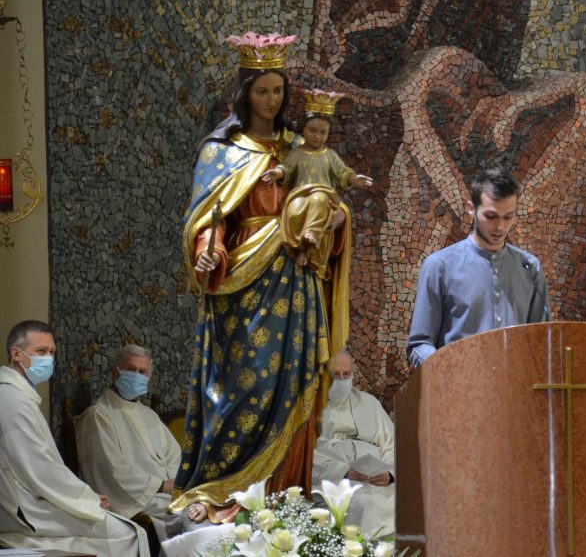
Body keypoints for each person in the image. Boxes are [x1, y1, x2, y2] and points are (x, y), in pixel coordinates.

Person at [172, 32, 352, 520]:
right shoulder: (221, 151)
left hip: (296, 279)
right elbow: (209, 219)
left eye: (278, 91)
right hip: (242, 286)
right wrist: (208, 251)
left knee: (294, 381)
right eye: (261, 91)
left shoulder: (301, 146)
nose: (271, 100)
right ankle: (226, 491)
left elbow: (329, 202)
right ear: (244, 93)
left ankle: (283, 500)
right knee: (243, 386)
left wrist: (337, 220)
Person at [0, 320, 150, 554]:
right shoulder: (12, 400)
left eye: (52, 352)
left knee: (125, 529)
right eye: (41, 351)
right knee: (127, 533)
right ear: (16, 354)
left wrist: (84, 497)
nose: (49, 359)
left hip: (32, 498)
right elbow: (40, 468)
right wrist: (86, 498)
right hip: (25, 508)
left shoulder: (20, 395)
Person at [406, 167, 551, 368]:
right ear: (471, 209)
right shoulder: (439, 267)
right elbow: (419, 345)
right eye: (491, 216)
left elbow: (542, 341)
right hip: (457, 385)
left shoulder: (530, 267)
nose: (500, 227)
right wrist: (447, 372)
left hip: (517, 386)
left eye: (508, 217)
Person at [75, 344, 184, 550]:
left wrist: (175, 483)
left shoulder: (148, 414)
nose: (137, 376)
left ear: (149, 378)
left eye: (142, 372)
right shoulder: (98, 415)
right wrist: (162, 485)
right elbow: (113, 471)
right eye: (131, 369)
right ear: (115, 372)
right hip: (136, 498)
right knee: (190, 516)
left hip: (162, 494)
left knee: (204, 508)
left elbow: (174, 455)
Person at [261, 89, 373, 270]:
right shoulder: (297, 153)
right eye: (312, 130)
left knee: (319, 199)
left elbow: (343, 172)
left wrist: (354, 179)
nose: (317, 136)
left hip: (323, 196)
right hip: (299, 196)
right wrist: (277, 173)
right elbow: (287, 167)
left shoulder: (330, 155)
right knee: (294, 211)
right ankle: (301, 249)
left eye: (323, 132)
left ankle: (310, 241)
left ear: (328, 134)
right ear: (303, 129)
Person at [312, 350, 395, 537]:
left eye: (346, 374)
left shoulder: (369, 403)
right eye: (335, 375)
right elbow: (303, 454)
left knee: (406, 498)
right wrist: (343, 471)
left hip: (375, 480)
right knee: (362, 501)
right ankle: (359, 548)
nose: (341, 381)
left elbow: (392, 444)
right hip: (333, 481)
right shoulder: (309, 406)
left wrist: (389, 474)